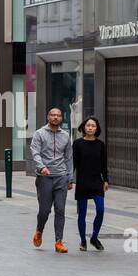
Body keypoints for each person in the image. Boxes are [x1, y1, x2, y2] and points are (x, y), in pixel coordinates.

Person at [31, 106, 73, 253]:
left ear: (61, 118)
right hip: (45, 176)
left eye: (58, 115)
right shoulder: (39, 134)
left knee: (60, 210)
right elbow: (35, 152)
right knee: (44, 210)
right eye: (53, 115)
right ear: (48, 117)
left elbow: (68, 158)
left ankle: (59, 241)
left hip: (61, 176)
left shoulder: (66, 136)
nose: (56, 117)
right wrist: (41, 167)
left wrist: (70, 177)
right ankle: (39, 230)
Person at [72, 116, 109, 251]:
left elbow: (104, 164)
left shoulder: (101, 145)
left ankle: (94, 237)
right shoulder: (77, 144)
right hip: (82, 182)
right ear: (83, 127)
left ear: (97, 128)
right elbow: (73, 163)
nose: (90, 128)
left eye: (93, 126)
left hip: (96, 182)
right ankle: (83, 241)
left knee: (100, 209)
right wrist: (70, 180)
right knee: (82, 213)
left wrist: (106, 180)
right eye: (88, 125)